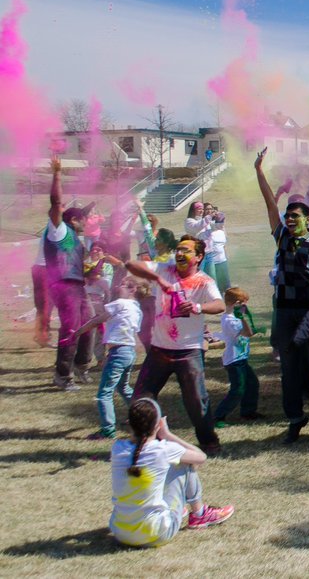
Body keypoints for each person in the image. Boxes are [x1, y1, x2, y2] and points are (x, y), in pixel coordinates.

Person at [254, 148, 309, 445]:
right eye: (287, 216)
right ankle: (295, 419)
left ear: (307, 219)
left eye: (294, 216)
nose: (289, 219)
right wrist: (259, 172)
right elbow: (269, 204)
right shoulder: (282, 238)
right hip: (285, 313)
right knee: (289, 372)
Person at [122, 235, 225, 456]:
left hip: (188, 351)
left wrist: (197, 307)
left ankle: (209, 443)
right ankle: (141, 441)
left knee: (197, 402)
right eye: (178, 249)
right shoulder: (164, 269)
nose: (179, 253)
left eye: (186, 250)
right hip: (159, 349)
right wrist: (158, 280)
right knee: (141, 398)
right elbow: (130, 264)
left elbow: (219, 305)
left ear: (198, 257)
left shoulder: (204, 281)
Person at [109, 398, 233, 547]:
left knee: (149, 476)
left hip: (120, 533)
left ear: (129, 423)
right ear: (158, 425)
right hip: (156, 534)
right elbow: (201, 457)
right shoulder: (164, 449)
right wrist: (167, 435)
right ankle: (200, 514)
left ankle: (177, 510)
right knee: (185, 464)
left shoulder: (117, 448)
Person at [72, 275, 150, 440]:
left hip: (118, 352)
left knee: (104, 393)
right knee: (124, 388)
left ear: (132, 289)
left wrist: (78, 332)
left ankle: (107, 430)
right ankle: (142, 418)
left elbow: (97, 319)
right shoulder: (137, 308)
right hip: (129, 353)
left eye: (122, 284)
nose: (117, 287)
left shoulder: (120, 304)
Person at [44, 156, 96, 391]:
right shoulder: (59, 230)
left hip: (76, 286)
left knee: (88, 323)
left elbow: (80, 266)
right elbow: (56, 203)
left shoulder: (76, 239)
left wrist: (93, 265)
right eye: (84, 217)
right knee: (71, 329)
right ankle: (63, 377)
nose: (88, 221)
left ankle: (82, 366)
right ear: (74, 219)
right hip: (63, 286)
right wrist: (57, 173)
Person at [214, 287, 263, 427]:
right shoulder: (230, 320)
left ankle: (248, 411)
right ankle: (219, 415)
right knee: (238, 389)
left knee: (252, 383)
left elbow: (250, 332)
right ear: (236, 303)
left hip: (241, 359)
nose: (245, 306)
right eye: (243, 303)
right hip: (234, 361)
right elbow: (247, 333)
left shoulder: (234, 318)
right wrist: (243, 318)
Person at [206, 213, 231, 294]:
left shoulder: (222, 232)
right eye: (219, 222)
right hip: (213, 263)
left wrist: (226, 258)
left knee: (226, 287)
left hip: (223, 262)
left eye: (222, 221)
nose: (222, 223)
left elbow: (224, 246)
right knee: (215, 287)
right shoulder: (208, 233)